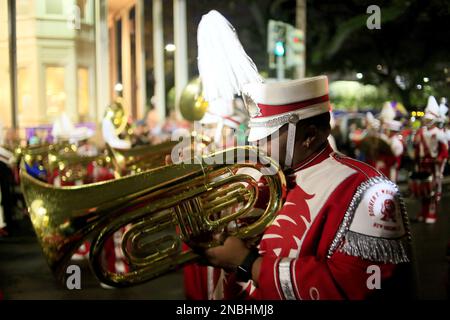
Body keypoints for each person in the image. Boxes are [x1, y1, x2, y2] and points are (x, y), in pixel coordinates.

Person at [411, 96, 449, 223]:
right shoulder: (420, 132)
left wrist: (439, 159)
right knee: (423, 190)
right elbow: (417, 148)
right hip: (423, 165)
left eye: (429, 119)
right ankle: (423, 211)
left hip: (434, 166)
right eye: (426, 118)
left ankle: (431, 213)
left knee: (433, 191)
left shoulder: (439, 133)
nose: (426, 121)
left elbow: (444, 150)